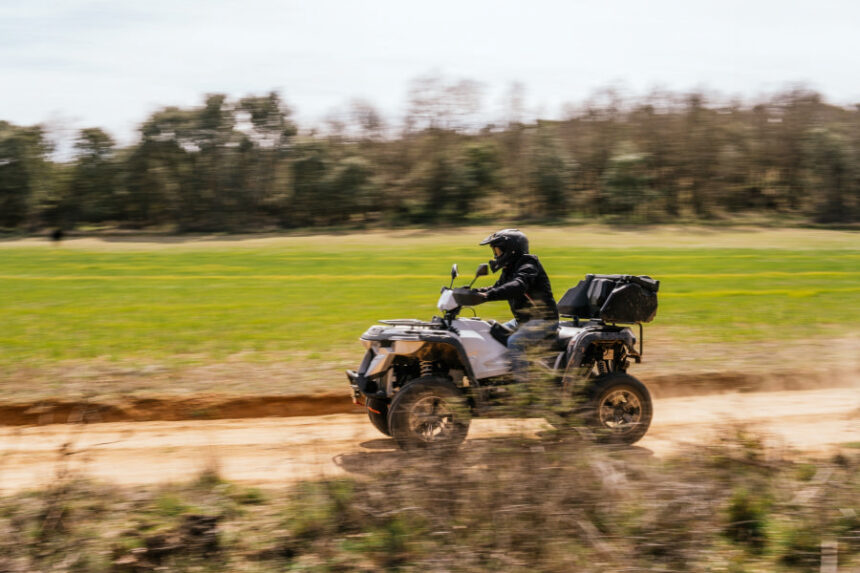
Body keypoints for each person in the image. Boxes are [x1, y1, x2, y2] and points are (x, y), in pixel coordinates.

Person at [472, 229, 559, 382]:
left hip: (544, 321)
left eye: (497, 250)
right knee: (492, 334)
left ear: (511, 249)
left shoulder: (529, 265)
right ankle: (500, 376)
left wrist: (488, 296)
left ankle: (523, 388)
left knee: (515, 342)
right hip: (523, 321)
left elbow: (518, 286)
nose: (495, 255)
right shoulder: (510, 268)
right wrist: (472, 292)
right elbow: (496, 287)